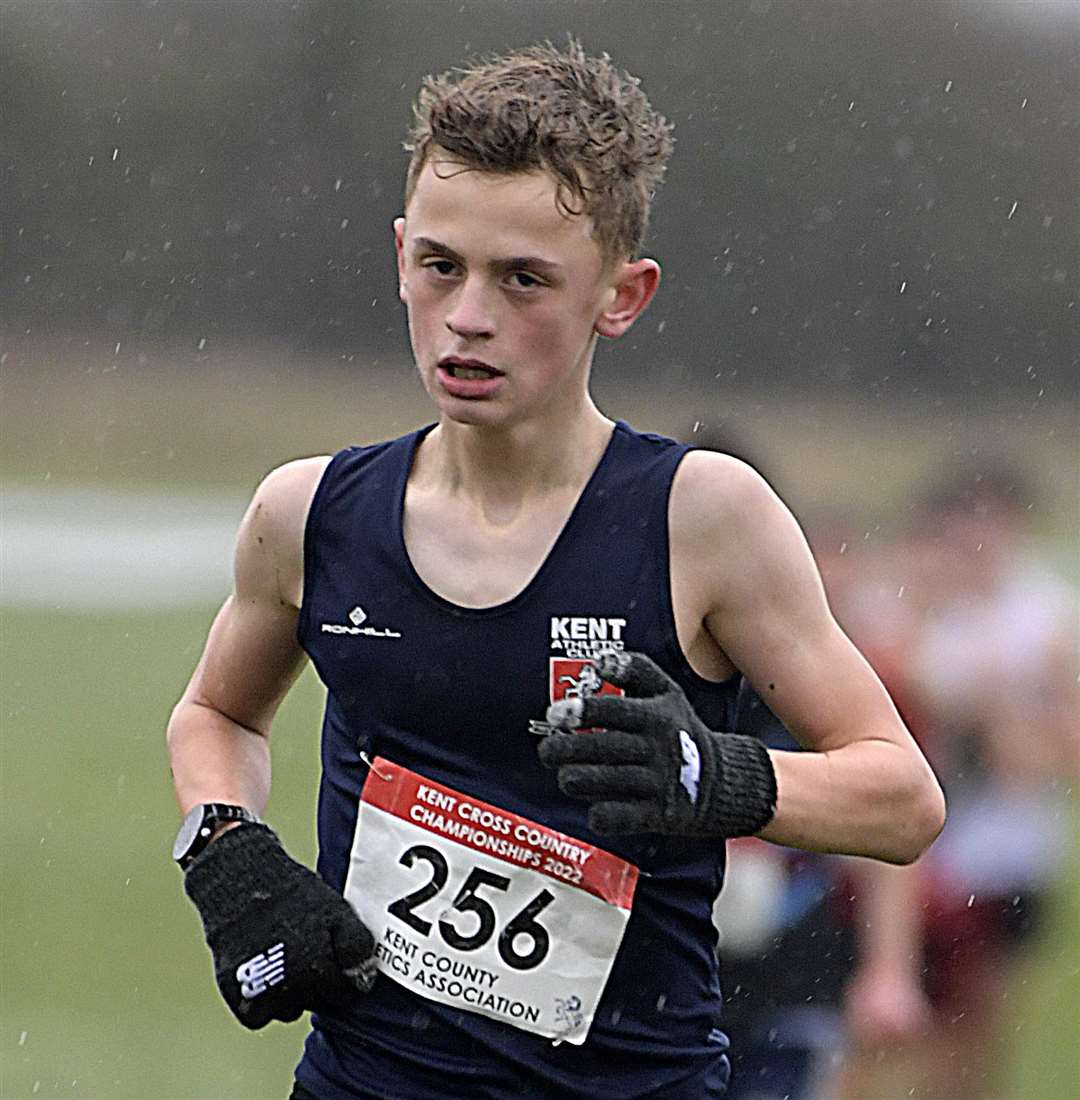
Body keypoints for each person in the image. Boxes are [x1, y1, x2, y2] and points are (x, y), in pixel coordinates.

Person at [166, 41, 946, 1099]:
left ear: (622, 295)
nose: (470, 315)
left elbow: (901, 798)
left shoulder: (701, 517)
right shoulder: (310, 514)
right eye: (441, 265)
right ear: (401, 255)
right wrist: (227, 850)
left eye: (524, 278)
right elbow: (217, 713)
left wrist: (713, 776)